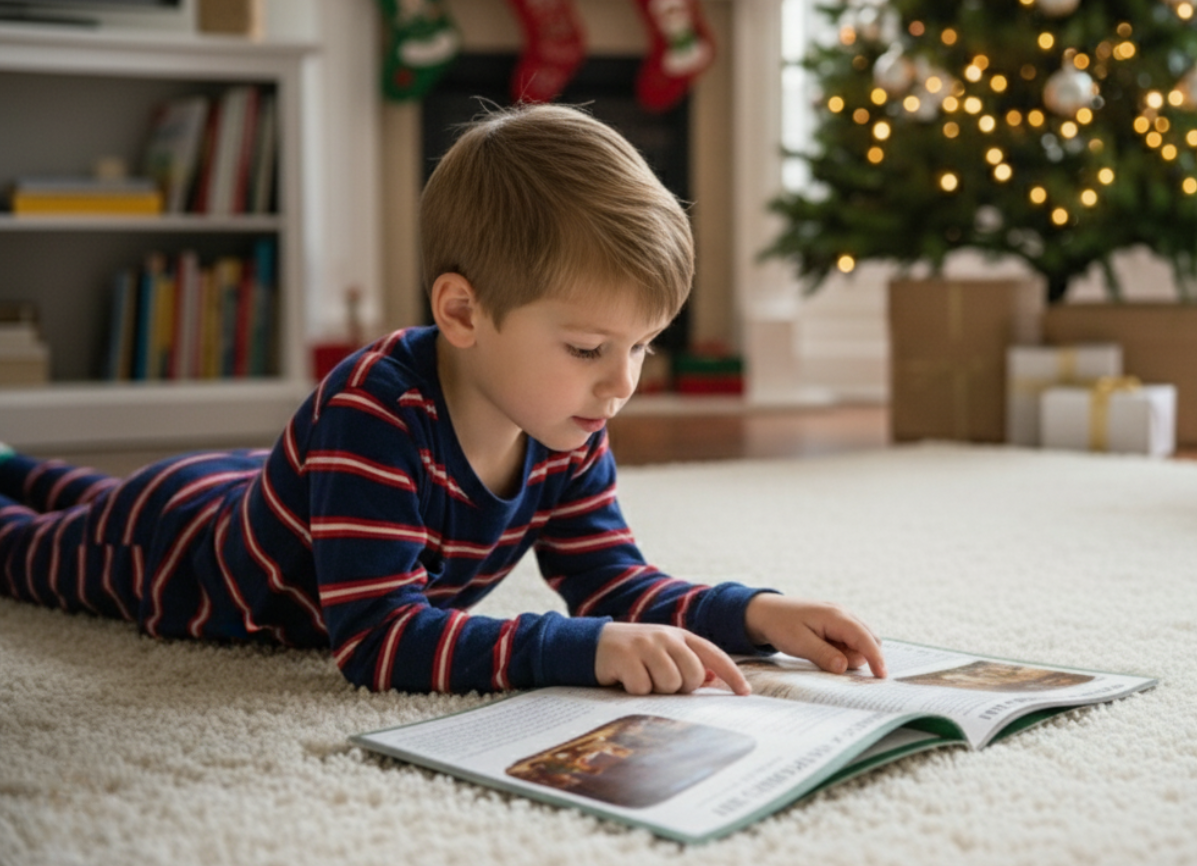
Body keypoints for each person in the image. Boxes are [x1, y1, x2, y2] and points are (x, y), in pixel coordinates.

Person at [0, 104, 886, 697]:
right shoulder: (371, 415)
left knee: (75, 486)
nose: (622, 384)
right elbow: (378, 638)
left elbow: (613, 581)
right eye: (587, 348)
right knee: (32, 540)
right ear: (462, 311)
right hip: (176, 549)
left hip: (258, 486)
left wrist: (755, 614)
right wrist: (579, 651)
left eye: (642, 347)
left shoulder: (565, 422)